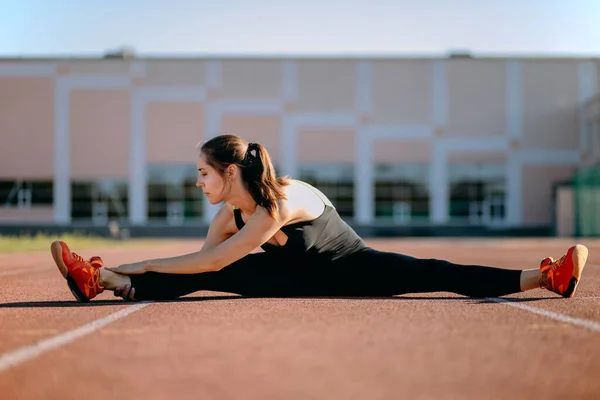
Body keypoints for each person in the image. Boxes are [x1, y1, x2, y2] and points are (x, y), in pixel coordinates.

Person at [50, 134, 589, 303]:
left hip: (353, 267)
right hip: (295, 279)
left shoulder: (277, 203)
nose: (198, 183)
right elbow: (200, 262)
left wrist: (139, 260)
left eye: (203, 174)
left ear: (231, 172)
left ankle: (546, 276)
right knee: (212, 275)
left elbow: (211, 258)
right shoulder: (231, 215)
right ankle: (103, 282)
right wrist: (132, 269)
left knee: (433, 272)